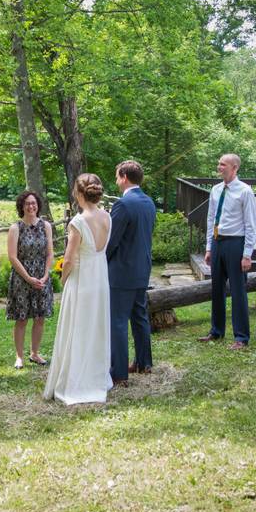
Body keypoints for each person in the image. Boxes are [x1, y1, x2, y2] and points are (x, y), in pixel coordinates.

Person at [43, 174, 114, 404]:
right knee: (96, 326)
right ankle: (97, 376)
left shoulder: (78, 222)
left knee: (78, 327)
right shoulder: (107, 217)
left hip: (82, 280)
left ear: (79, 193)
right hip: (101, 279)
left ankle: (77, 381)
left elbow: (70, 259)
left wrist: (63, 280)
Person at [198, 154, 256, 349]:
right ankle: (216, 331)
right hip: (217, 242)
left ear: (234, 168)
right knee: (217, 288)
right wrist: (208, 247)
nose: (219, 167)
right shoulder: (216, 190)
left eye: (223, 164)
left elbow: (251, 224)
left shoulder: (245, 192)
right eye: (219, 164)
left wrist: (247, 253)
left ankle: (241, 337)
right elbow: (210, 219)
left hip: (235, 243)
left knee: (238, 290)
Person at [106, 160, 156, 383]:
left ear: (124, 177)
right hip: (142, 269)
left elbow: (111, 241)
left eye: (117, 177)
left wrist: (99, 262)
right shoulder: (148, 202)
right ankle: (144, 363)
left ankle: (119, 373)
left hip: (122, 271)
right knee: (139, 317)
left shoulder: (123, 205)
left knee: (117, 321)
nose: (116, 181)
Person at [6, 191, 54, 369]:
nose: (31, 206)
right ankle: (19, 357)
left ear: (38, 205)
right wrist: (28, 277)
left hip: (42, 276)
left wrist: (45, 275)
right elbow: (12, 257)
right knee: (22, 318)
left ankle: (35, 353)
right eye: (27, 203)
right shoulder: (15, 228)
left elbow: (50, 253)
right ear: (22, 206)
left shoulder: (46, 226)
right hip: (22, 277)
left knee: (40, 317)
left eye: (34, 203)